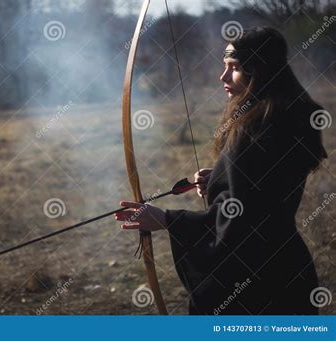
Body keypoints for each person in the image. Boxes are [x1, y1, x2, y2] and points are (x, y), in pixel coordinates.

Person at [115, 27, 327, 315]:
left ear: (258, 69)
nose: (223, 77)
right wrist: (221, 177)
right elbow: (263, 189)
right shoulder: (285, 112)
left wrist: (167, 220)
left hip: (256, 288)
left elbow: (243, 224)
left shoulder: (258, 126)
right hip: (287, 271)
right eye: (224, 66)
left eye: (234, 68)